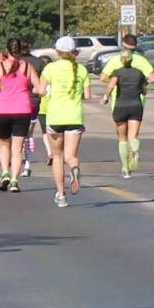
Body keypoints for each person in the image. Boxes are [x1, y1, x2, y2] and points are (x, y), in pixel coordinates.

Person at [41, 37, 90, 206]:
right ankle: (74, 167)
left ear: (57, 51)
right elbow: (88, 95)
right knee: (70, 156)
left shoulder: (50, 68)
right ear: (75, 51)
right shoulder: (82, 70)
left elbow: (41, 90)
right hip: (74, 117)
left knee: (57, 156)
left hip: (55, 116)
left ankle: (61, 196)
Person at [0, 39, 39, 192]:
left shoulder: (0, 66)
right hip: (22, 109)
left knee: (4, 145)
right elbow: (37, 87)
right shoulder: (27, 67)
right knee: (17, 148)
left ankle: (4, 173)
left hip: (3, 109)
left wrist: (0, 92)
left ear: (6, 50)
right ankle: (15, 180)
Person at [102, 34, 154, 176]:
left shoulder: (115, 63)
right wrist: (141, 84)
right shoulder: (141, 63)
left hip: (119, 104)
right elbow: (152, 79)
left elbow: (104, 78)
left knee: (122, 137)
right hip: (137, 103)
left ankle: (125, 169)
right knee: (133, 135)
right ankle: (135, 150)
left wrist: (108, 93)